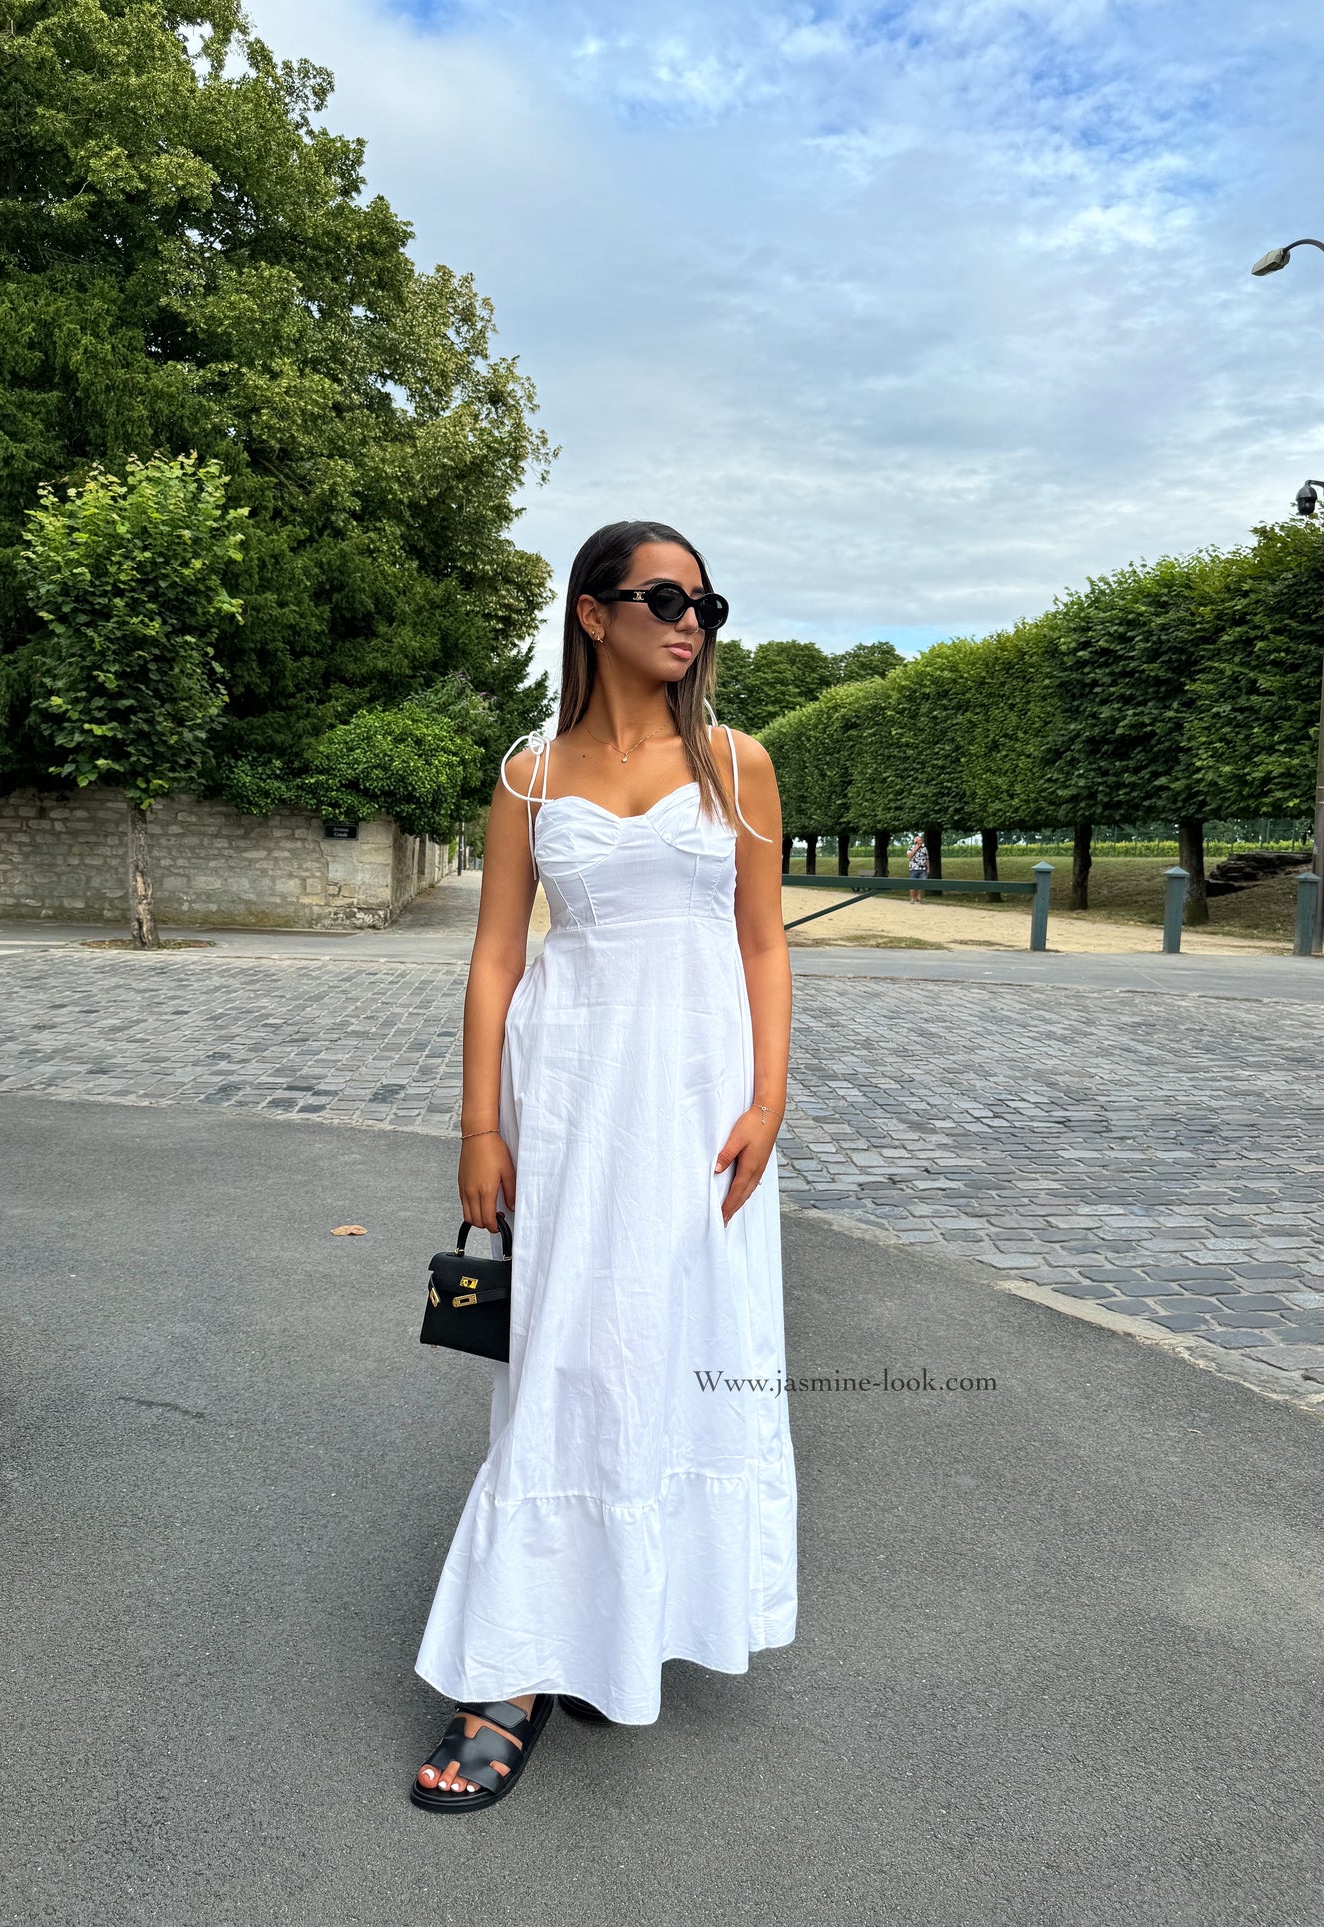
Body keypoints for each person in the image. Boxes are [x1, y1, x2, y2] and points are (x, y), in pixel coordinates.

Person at [410, 520, 799, 1811]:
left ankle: (619, 1624)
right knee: (565, 1352)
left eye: (705, 602)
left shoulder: (738, 764)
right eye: (662, 596)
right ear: (592, 612)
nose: (689, 620)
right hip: (572, 1102)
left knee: (677, 1342)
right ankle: (508, 1670)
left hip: (699, 1111)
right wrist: (480, 1125)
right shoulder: (529, 773)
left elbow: (762, 944)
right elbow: (496, 957)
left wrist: (769, 1095)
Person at [906, 831, 929, 904]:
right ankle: (912, 898)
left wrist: (928, 868)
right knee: (912, 884)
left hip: (922, 869)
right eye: (919, 840)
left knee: (921, 884)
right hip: (913, 868)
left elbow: (927, 858)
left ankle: (919, 898)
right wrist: (916, 849)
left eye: (921, 840)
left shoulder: (924, 848)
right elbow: (909, 856)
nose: (921, 841)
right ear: (915, 841)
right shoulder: (911, 848)